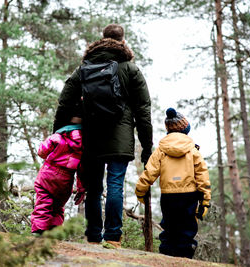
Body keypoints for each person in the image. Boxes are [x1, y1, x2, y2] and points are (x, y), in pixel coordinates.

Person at [53, 24, 153, 247]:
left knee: (94, 188)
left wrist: (56, 137)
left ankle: (93, 236)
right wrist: (147, 147)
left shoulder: (84, 69)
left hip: (91, 137)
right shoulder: (130, 69)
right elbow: (143, 110)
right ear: (123, 41)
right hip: (120, 136)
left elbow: (65, 102)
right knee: (115, 184)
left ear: (102, 39)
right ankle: (113, 237)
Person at [135, 108, 211, 258]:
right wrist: (205, 201)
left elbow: (149, 172)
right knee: (187, 230)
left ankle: (166, 258)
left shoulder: (161, 150)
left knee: (169, 228)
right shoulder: (193, 151)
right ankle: (185, 258)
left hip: (168, 196)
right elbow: (202, 176)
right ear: (185, 129)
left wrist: (140, 191)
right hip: (189, 196)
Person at [31, 116, 86, 234]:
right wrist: (81, 189)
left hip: (48, 175)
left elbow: (41, 152)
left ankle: (39, 231)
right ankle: (55, 232)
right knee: (58, 207)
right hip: (66, 180)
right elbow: (82, 170)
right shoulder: (83, 147)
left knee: (43, 202)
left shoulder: (57, 137)